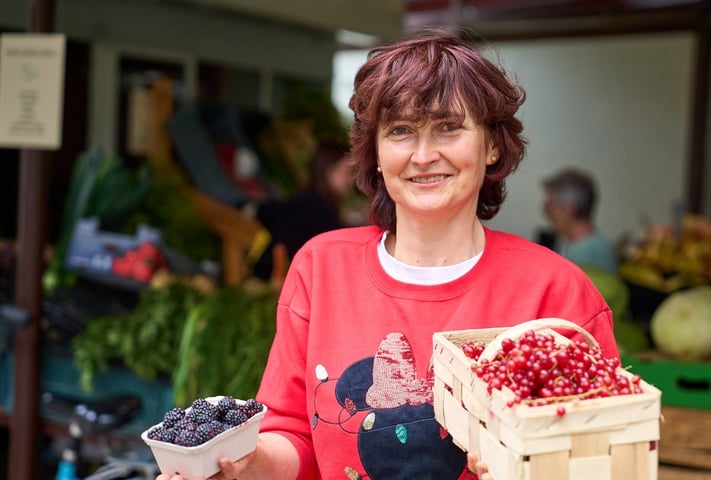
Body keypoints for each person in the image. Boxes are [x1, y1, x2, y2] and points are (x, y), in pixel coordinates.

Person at [158, 28, 618, 480]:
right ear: (375, 153)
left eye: (448, 128)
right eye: (400, 131)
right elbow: (294, 433)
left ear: (493, 145)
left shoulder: (555, 292)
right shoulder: (321, 267)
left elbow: (601, 456)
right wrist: (242, 462)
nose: (422, 155)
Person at [252, 141, 357, 280]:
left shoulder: (311, 199)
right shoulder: (319, 208)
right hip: (276, 276)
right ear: (329, 171)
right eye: (347, 172)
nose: (351, 179)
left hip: (273, 271)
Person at [542, 168, 617, 273]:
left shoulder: (585, 254)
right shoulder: (589, 244)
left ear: (569, 209)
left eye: (549, 207)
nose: (546, 214)